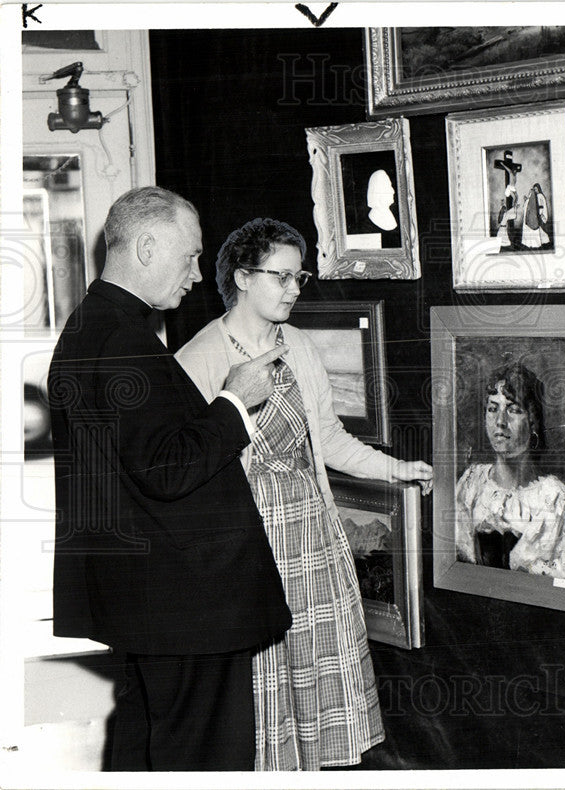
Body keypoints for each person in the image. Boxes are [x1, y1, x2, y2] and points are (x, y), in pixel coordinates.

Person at [47, 186, 293, 771]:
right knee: (204, 758)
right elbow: (167, 468)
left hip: (144, 602)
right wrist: (235, 399)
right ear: (148, 245)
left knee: (144, 747)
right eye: (188, 257)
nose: (195, 274)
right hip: (185, 607)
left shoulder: (91, 327)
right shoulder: (124, 342)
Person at [175, 217, 432, 770]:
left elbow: (331, 439)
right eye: (282, 277)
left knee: (319, 681)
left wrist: (396, 469)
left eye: (300, 277)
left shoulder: (298, 346)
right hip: (249, 551)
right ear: (242, 277)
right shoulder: (198, 360)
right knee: (265, 688)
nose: (295, 290)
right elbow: (185, 473)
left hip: (312, 541)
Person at [454, 363, 565, 578]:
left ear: (533, 421)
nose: (500, 422)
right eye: (492, 409)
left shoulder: (552, 497)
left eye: (513, 410)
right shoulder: (471, 483)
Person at [520, 183, 550, 249]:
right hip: (536, 214)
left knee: (540, 229)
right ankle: (543, 242)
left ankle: (543, 242)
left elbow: (541, 206)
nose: (535, 190)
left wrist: (539, 214)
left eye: (536, 189)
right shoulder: (535, 197)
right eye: (534, 189)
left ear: (538, 189)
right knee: (539, 230)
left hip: (539, 214)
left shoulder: (540, 196)